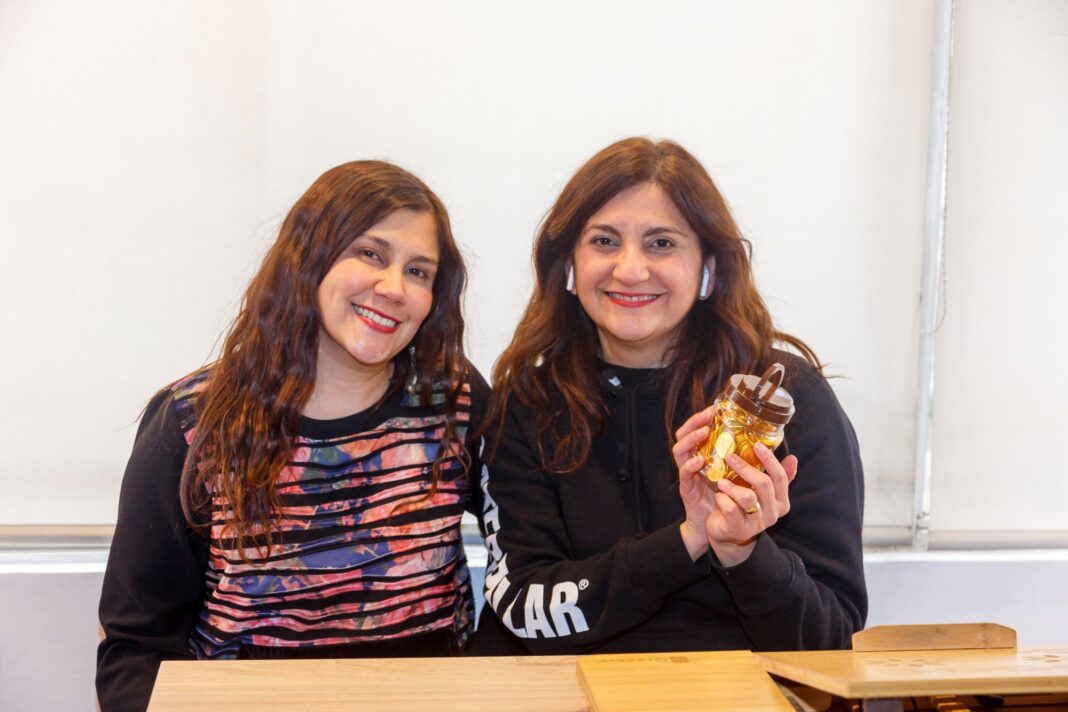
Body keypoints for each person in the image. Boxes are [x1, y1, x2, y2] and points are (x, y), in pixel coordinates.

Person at [96, 161, 488, 711]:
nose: (394, 288)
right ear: (309, 259)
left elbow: (528, 556)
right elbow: (137, 648)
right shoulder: (192, 423)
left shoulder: (454, 401)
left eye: (419, 271)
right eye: (371, 254)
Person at [470, 137, 866, 656]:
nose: (630, 270)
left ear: (709, 267)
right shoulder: (527, 403)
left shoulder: (782, 402)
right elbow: (526, 610)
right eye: (604, 241)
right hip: (564, 690)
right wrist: (686, 540)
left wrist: (742, 550)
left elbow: (830, 637)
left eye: (661, 243)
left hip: (736, 692)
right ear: (567, 263)